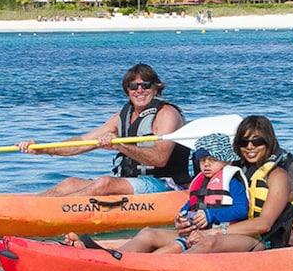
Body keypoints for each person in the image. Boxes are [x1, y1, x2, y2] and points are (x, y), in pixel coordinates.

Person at [17, 63, 191, 196]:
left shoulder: (167, 113)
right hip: (132, 182)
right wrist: (41, 148)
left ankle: (52, 212)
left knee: (105, 183)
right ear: (127, 91)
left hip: (166, 184)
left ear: (156, 88)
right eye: (133, 86)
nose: (140, 90)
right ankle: (25, 209)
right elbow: (81, 144)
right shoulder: (121, 117)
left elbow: (160, 159)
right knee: (69, 184)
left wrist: (119, 146)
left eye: (145, 85)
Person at [62, 132, 250, 253]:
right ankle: (116, 257)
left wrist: (211, 214)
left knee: (174, 247)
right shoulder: (201, 181)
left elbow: (242, 209)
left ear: (227, 161)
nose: (206, 165)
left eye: (212, 160)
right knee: (148, 233)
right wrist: (182, 216)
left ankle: (133, 265)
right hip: (194, 233)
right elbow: (191, 203)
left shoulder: (231, 181)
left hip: (220, 236)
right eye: (202, 161)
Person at [185, 115, 293, 253]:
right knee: (153, 235)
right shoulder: (233, 172)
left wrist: (212, 232)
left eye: (257, 141)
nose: (250, 147)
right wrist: (187, 223)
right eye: (243, 142)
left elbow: (264, 224)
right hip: (227, 235)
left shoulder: (278, 177)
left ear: (269, 143)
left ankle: (174, 268)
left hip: (263, 243)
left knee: (209, 242)